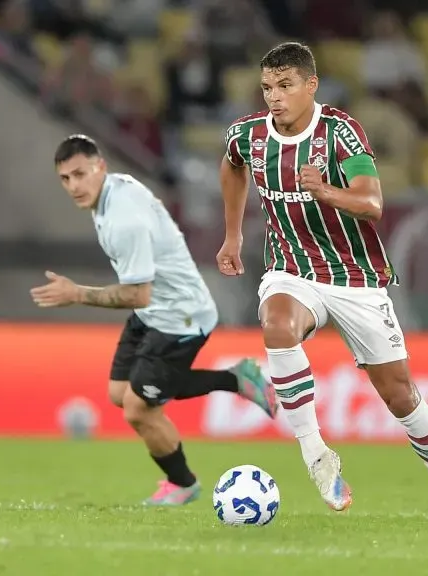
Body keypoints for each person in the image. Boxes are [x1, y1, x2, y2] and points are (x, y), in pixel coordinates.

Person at [215, 42, 428, 529]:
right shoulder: (246, 136)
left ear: (311, 85)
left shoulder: (340, 132)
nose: (275, 97)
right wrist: (233, 234)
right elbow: (231, 165)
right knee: (276, 325)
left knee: (400, 396)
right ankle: (315, 452)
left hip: (355, 277)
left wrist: (325, 190)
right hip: (291, 269)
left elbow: (372, 202)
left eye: (286, 85)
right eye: (268, 87)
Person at [31, 135, 278, 506]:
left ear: (100, 167)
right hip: (155, 312)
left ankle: (183, 484)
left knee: (138, 408)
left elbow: (137, 294)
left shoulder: (122, 221)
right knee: (121, 393)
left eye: (80, 174)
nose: (74, 186)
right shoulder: (115, 191)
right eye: (65, 179)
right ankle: (236, 379)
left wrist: (76, 293)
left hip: (179, 318)